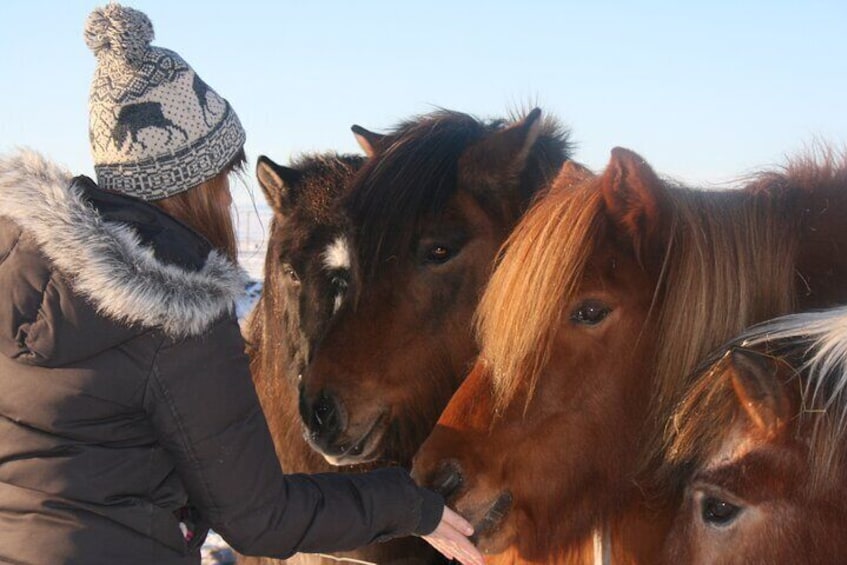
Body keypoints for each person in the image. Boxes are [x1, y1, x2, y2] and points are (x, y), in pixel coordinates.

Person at [0, 4, 484, 565]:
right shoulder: (175, 316)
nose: (232, 202)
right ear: (195, 188)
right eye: (225, 181)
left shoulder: (16, 270)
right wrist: (410, 508)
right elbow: (261, 520)